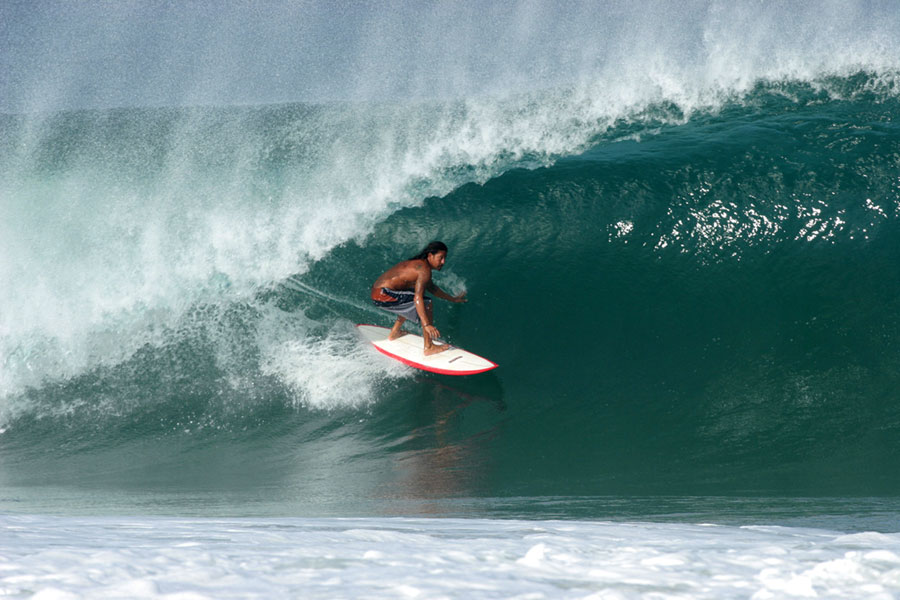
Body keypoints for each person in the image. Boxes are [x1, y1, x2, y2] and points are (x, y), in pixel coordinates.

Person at [370, 241, 467, 355]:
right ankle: (429, 347)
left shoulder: (420, 265)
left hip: (378, 293)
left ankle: (395, 332)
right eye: (440, 258)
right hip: (383, 294)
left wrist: (452, 299)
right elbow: (418, 297)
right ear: (430, 255)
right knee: (426, 303)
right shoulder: (424, 270)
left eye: (445, 258)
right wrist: (427, 325)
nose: (443, 262)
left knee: (409, 297)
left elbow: (432, 288)